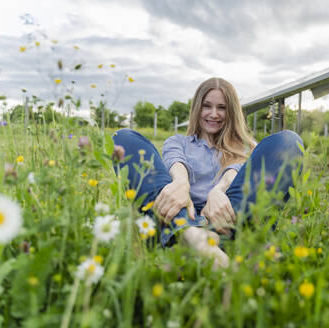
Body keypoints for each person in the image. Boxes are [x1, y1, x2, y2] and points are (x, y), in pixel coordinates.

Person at [113, 77, 303, 267]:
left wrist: (218, 191)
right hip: (174, 218)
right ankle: (190, 235)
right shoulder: (178, 142)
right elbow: (175, 160)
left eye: (222, 108)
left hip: (229, 223)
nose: (213, 114)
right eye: (207, 106)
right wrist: (181, 183)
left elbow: (236, 169)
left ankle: (193, 242)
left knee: (289, 141)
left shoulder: (247, 147)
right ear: (197, 108)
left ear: (232, 112)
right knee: (123, 138)